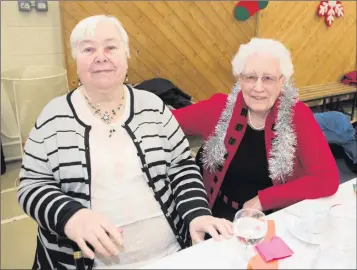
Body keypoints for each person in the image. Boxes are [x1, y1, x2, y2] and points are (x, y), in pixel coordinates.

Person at [17, 15, 232, 270]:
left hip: (169, 254)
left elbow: (182, 166)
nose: (101, 56)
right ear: (76, 60)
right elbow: (31, 185)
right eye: (88, 49)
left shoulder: (154, 108)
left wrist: (197, 214)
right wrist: (70, 216)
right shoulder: (52, 116)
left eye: (111, 47)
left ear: (127, 55)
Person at [172, 38, 340, 221]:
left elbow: (326, 179)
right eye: (250, 77)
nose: (258, 88)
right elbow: (163, 121)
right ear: (240, 79)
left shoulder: (297, 116)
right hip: (219, 215)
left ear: (282, 81)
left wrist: (262, 200)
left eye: (268, 78)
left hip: (276, 217)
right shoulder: (219, 108)